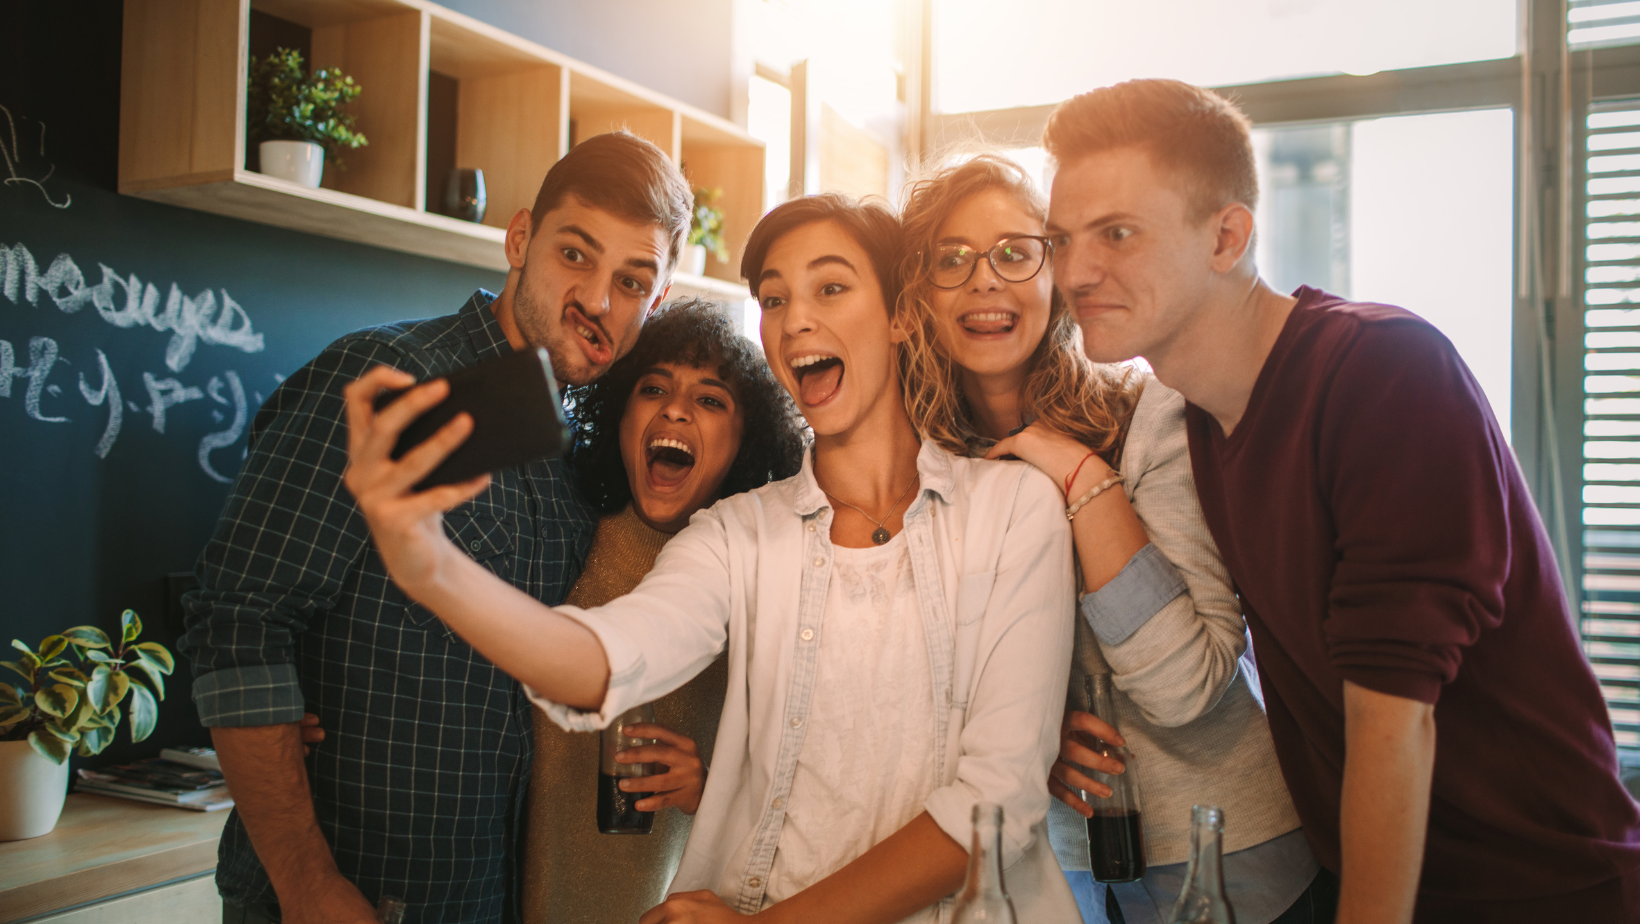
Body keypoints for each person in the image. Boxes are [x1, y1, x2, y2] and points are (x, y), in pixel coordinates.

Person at [340, 193, 1084, 923]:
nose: (796, 321)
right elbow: (605, 654)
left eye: (830, 287)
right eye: (773, 298)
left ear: (899, 314)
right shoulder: (736, 535)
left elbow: (997, 800)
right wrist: (426, 563)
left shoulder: (1014, 511)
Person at [1041, 78, 1640, 923]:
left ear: (1227, 236)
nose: (1074, 272)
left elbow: (1395, 727)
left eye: (1118, 234)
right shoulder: (1204, 418)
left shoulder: (1382, 370)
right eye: (1062, 239)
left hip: (1534, 889)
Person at [180, 130, 692, 924]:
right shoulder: (386, 382)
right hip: (344, 897)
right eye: (575, 256)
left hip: (485, 898)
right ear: (520, 239)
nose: (598, 300)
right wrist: (308, 885)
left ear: (655, 302)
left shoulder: (583, 461)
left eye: (632, 281)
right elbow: (237, 623)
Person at [897, 154, 1331, 924]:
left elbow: (1187, 686)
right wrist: (1032, 732)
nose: (984, 281)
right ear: (919, 293)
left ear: (1057, 273)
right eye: (951, 259)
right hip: (1066, 866)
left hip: (1231, 849)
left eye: (1015, 252)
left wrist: (1080, 476)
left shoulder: (1151, 415)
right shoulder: (927, 470)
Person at [522, 297, 806, 923]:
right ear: (621, 415)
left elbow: (809, 809)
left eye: (710, 400)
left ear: (744, 442)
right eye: (654, 388)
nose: (676, 408)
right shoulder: (558, 544)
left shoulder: (759, 593)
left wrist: (709, 788)